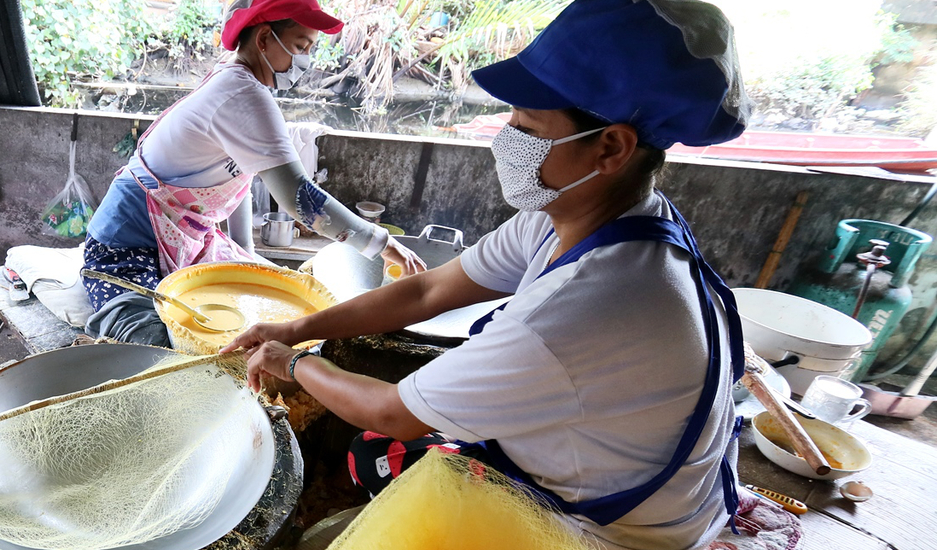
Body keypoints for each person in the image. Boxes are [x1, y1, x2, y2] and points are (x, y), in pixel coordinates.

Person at [223, 0, 753, 548]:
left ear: (611, 147)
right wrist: (296, 327)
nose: (506, 138)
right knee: (373, 454)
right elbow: (430, 288)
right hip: (617, 475)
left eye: (526, 124)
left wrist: (296, 363)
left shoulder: (579, 309)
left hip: (607, 531)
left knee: (380, 449)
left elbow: (392, 412)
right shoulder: (597, 219)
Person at [81, 0, 425, 347]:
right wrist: (382, 243)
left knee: (269, 317)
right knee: (160, 346)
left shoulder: (237, 80)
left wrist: (244, 252)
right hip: (124, 247)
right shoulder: (241, 94)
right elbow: (300, 198)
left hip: (186, 240)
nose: (304, 61)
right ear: (264, 39)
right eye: (301, 46)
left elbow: (240, 179)